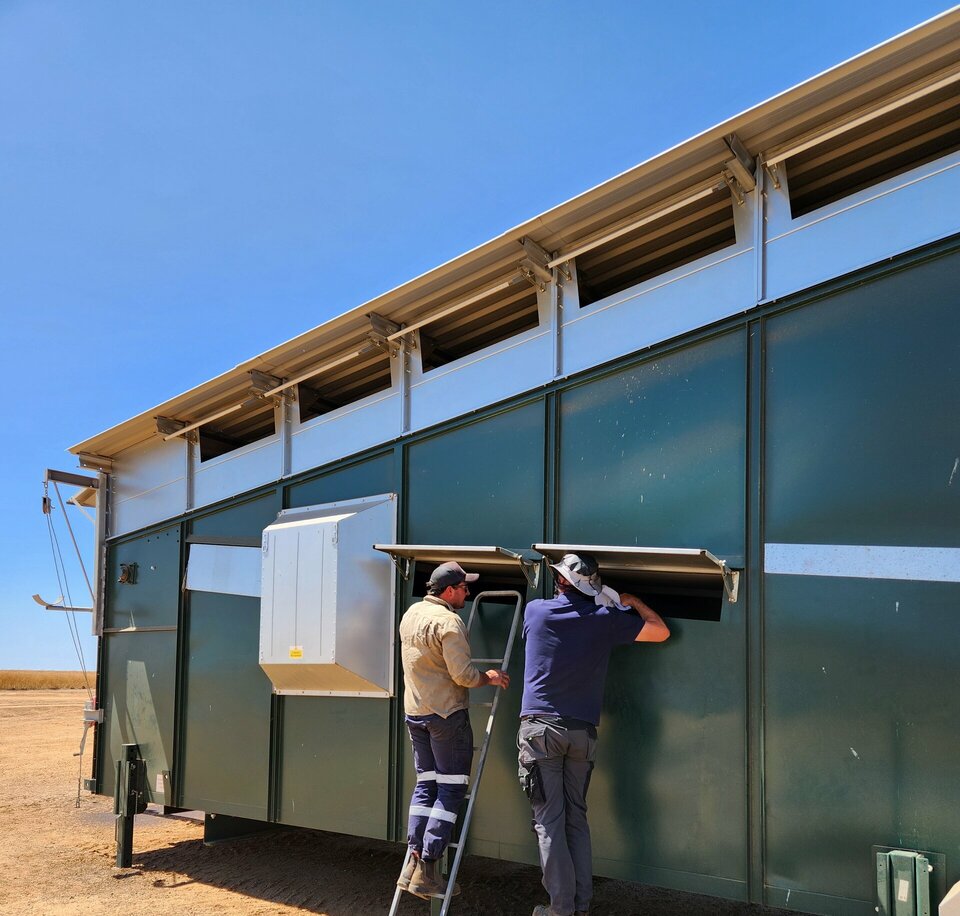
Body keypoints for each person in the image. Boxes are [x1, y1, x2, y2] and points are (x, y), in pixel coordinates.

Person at [519, 552, 670, 916]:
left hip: (540, 731)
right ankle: (581, 908)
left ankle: (560, 910)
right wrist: (631, 602)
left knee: (549, 823)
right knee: (576, 820)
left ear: (558, 582)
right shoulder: (607, 620)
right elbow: (660, 630)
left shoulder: (535, 611)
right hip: (581, 735)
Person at [396, 561, 511, 900]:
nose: (467, 592)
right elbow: (462, 675)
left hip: (415, 714)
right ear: (448, 591)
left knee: (425, 785)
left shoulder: (410, 614)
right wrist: (487, 677)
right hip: (446, 716)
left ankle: (412, 860)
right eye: (463, 587)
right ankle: (429, 868)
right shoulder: (449, 622)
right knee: (450, 789)